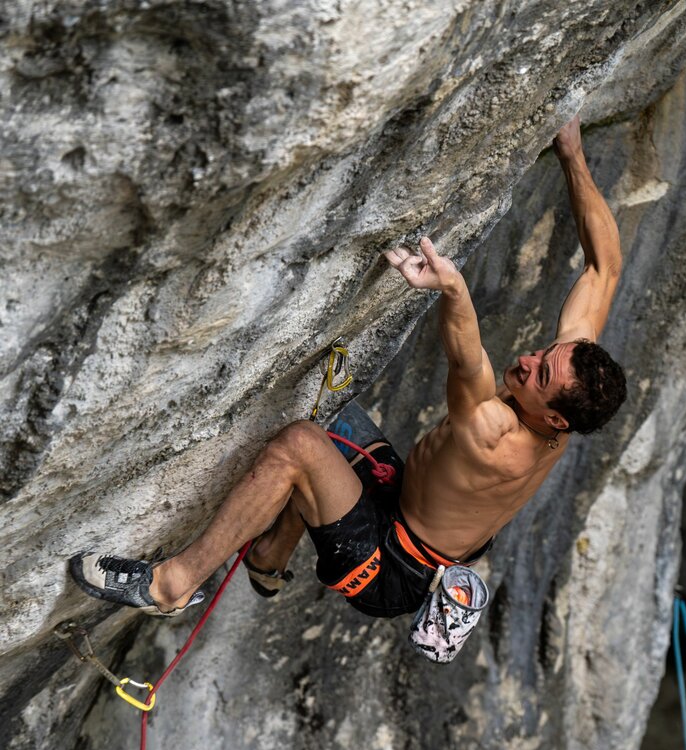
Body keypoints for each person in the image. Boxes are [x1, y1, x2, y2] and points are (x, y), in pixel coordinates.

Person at [69, 116, 626, 619]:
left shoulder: (498, 436)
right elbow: (604, 268)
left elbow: (467, 360)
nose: (528, 362)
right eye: (543, 355)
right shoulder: (570, 379)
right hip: (403, 502)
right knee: (326, 402)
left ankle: (172, 585)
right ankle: (270, 553)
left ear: (555, 421)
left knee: (300, 443)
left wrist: (451, 287)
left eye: (540, 376)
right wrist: (572, 154)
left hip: (389, 566)